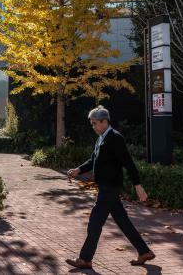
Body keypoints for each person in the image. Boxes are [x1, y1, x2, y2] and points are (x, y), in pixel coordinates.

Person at [65, 105, 155, 269]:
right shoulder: (101, 137)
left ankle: (85, 259)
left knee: (95, 221)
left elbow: (128, 163)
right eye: (91, 123)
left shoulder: (115, 138)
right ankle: (144, 252)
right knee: (123, 221)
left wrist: (138, 185)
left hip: (110, 188)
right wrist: (79, 169)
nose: (93, 127)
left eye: (94, 123)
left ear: (104, 121)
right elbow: (93, 160)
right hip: (106, 188)